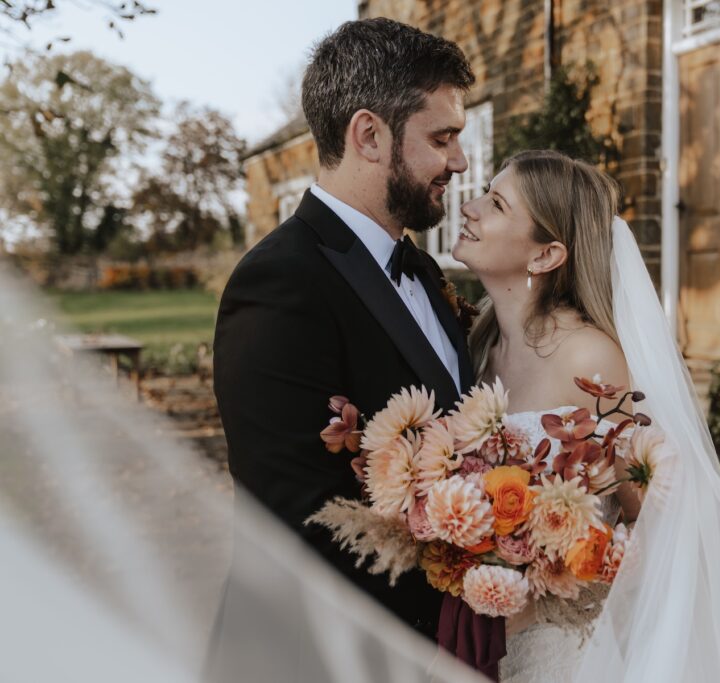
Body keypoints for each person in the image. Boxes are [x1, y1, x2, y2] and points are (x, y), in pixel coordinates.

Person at [453, 150, 720, 682]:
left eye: (495, 203)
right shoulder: (475, 345)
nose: (468, 207)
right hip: (478, 634)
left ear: (545, 255)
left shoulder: (590, 358)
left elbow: (647, 521)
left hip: (558, 646)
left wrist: (561, 559)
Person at [209, 17, 487, 680]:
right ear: (369, 134)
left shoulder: (423, 271)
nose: (460, 161)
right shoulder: (280, 282)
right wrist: (478, 570)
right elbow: (302, 521)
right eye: (442, 138)